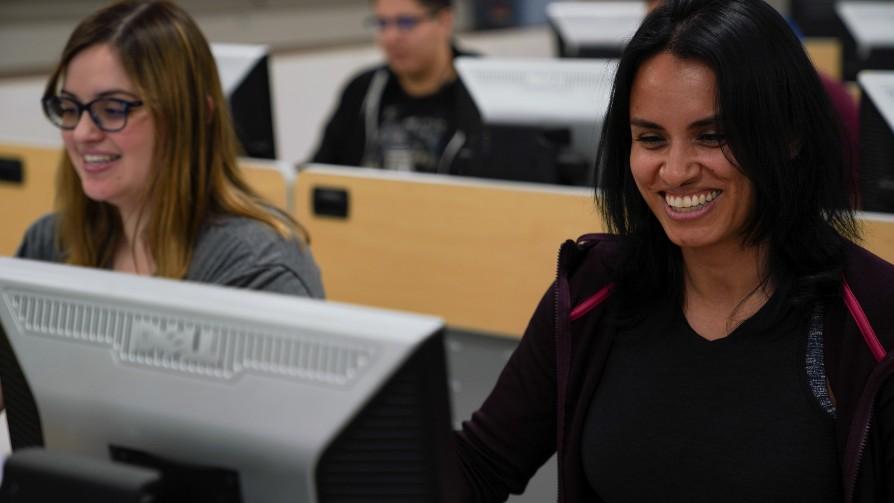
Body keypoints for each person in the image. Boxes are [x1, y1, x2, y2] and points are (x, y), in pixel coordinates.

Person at [452, 1, 893, 502]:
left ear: (788, 136)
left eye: (712, 136)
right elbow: (479, 463)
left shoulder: (873, 317)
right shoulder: (594, 291)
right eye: (651, 139)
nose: (676, 170)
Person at [16, 0, 324, 299]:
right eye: (69, 108)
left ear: (192, 116)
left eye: (112, 109)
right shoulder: (50, 243)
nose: (81, 133)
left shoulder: (257, 269)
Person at [310, 0, 482, 175]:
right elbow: (317, 175)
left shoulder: (486, 91)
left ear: (444, 21)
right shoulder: (363, 90)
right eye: (382, 23)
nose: (390, 37)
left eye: (406, 22)